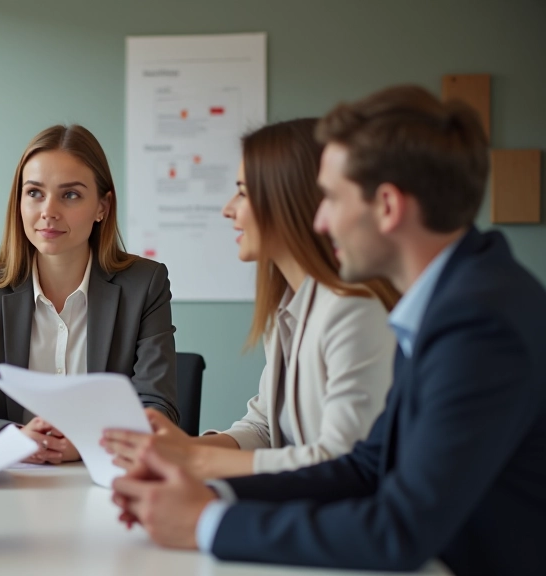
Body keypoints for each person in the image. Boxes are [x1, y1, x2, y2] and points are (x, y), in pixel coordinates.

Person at [109, 85, 546, 576]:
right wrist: (210, 493)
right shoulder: (447, 300)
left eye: (332, 198)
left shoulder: (478, 323)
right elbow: (364, 467)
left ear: (387, 206)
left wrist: (206, 521)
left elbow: (397, 529)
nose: (319, 219)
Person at [102, 119, 397, 480]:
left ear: (289, 200)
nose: (228, 209)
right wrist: (179, 448)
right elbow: (265, 428)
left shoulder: (354, 311)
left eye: (242, 192)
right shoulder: (291, 307)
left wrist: (194, 462)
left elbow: (340, 459)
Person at [0, 124, 179, 463]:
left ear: (102, 207)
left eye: (70, 195)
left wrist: (87, 444)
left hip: (107, 482)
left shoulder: (145, 284)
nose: (48, 211)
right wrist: (16, 439)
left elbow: (159, 409)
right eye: (35, 193)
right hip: (18, 481)